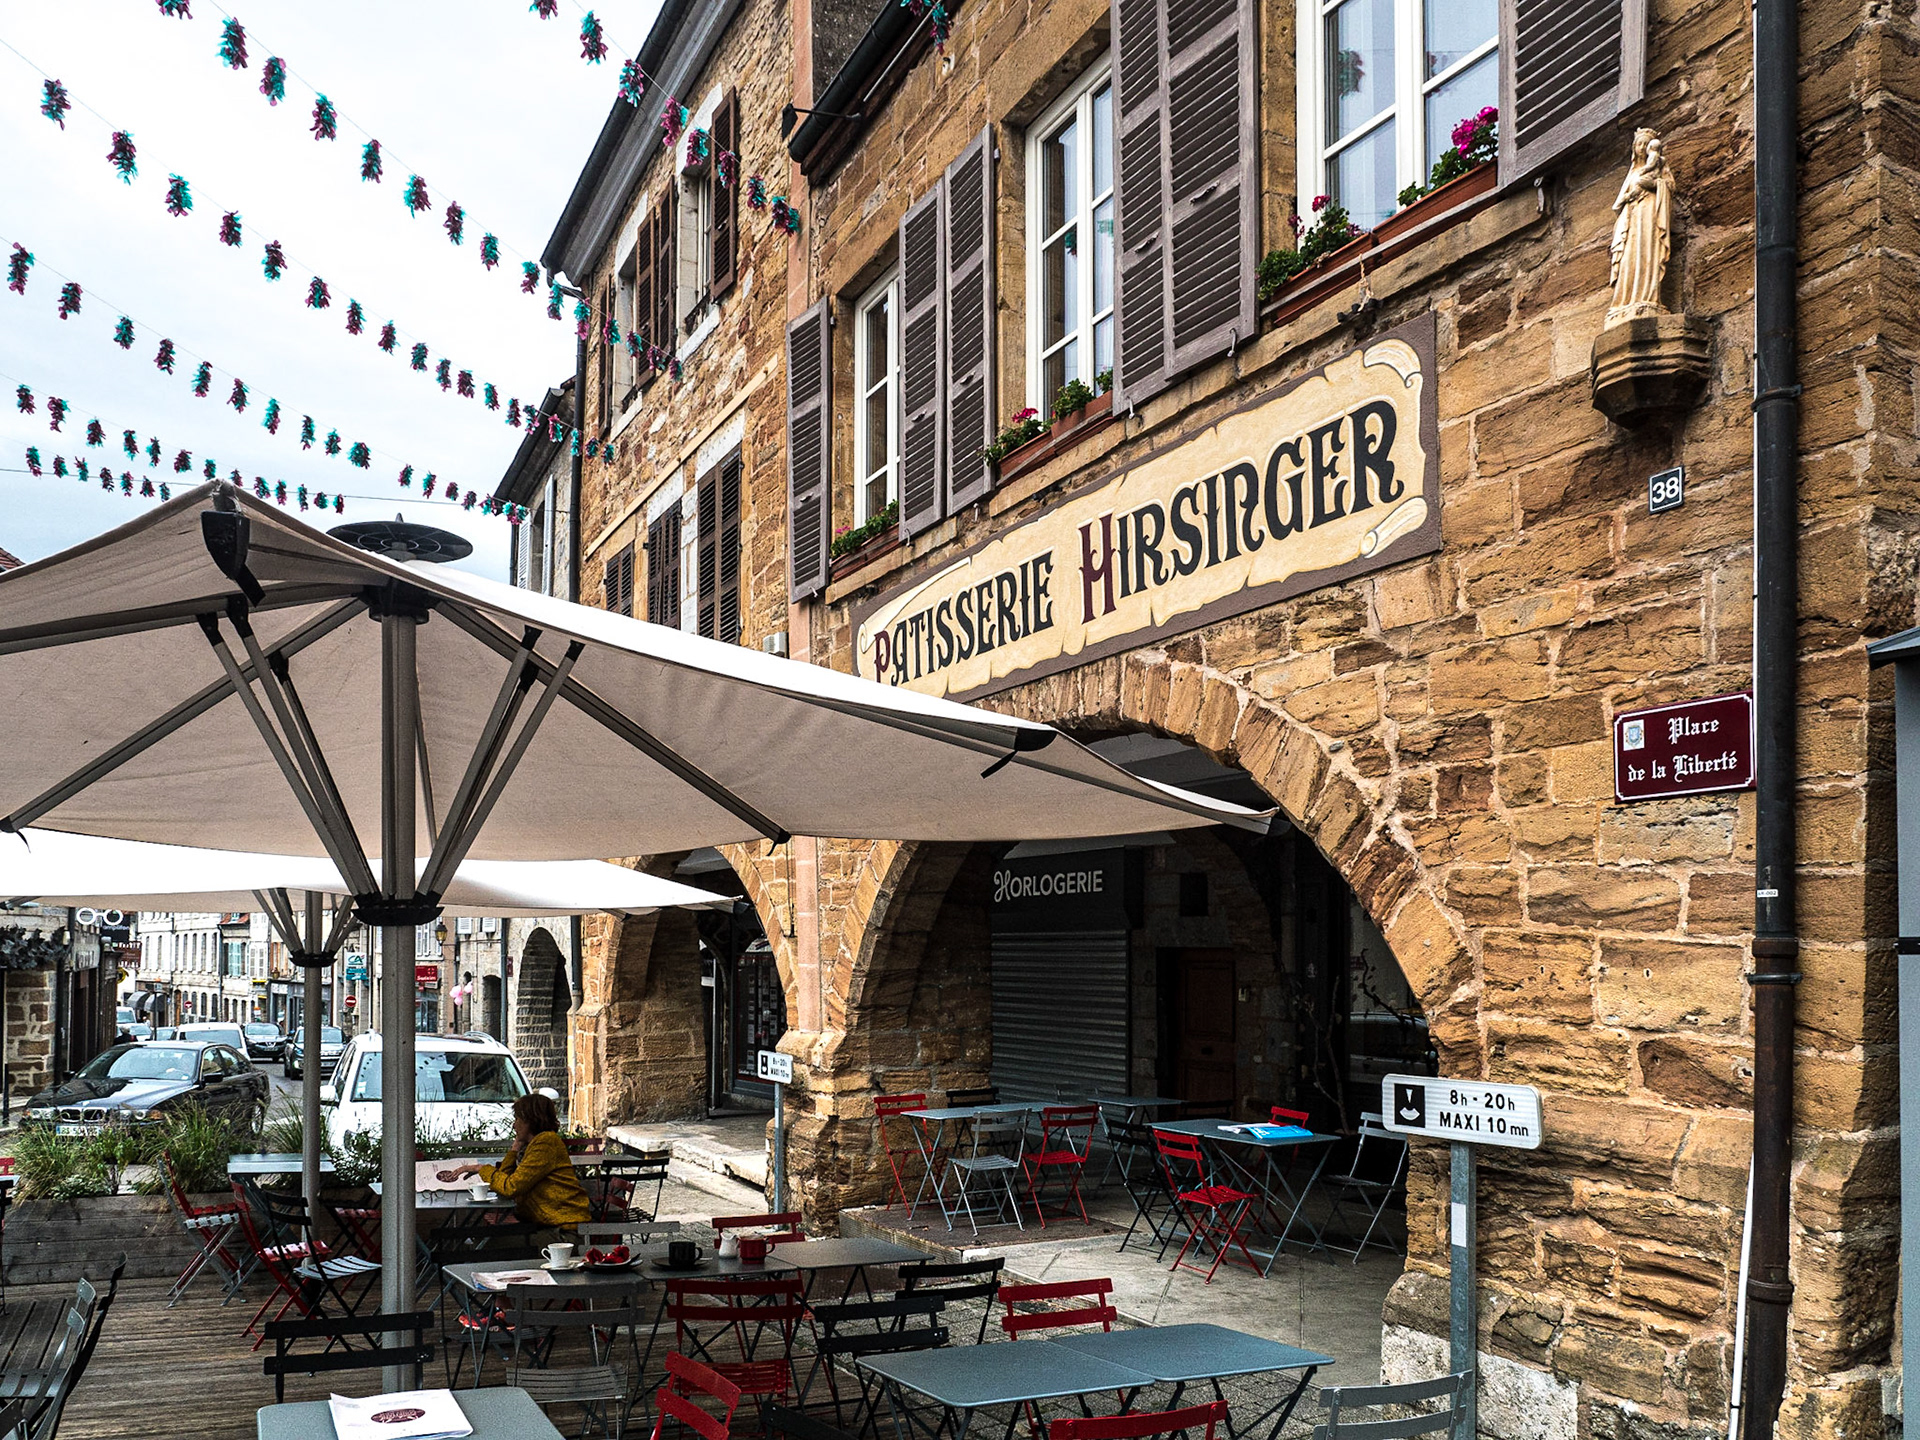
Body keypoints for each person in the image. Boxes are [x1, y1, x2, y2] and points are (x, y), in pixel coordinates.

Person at [438, 1092, 590, 1246]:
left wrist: (480, 1168)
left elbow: (510, 1187)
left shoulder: (546, 1143)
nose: (514, 1125)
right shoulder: (536, 1144)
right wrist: (514, 1149)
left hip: (563, 1236)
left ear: (530, 1120)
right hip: (546, 1228)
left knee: (487, 1241)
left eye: (517, 1118)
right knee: (477, 1235)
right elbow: (503, 1186)